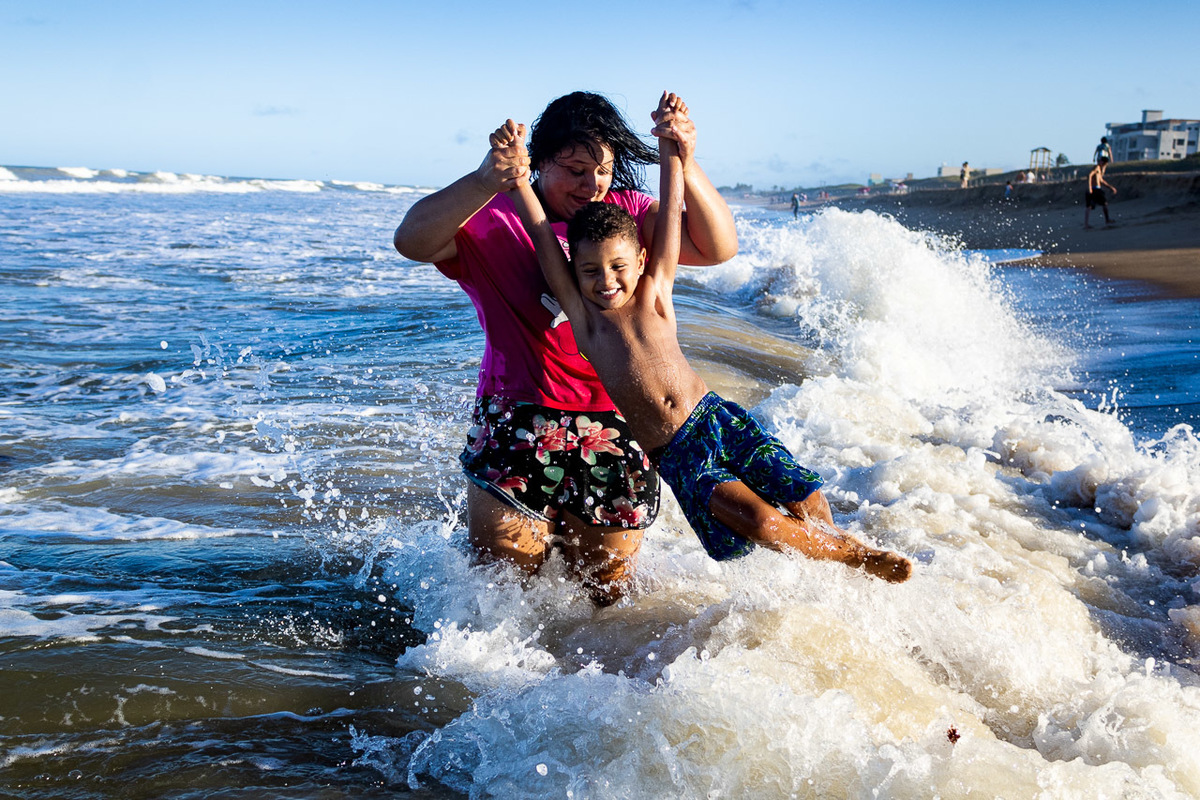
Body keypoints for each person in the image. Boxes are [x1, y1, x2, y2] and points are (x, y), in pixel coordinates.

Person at [502, 93, 912, 584]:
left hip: (715, 416)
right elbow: (543, 234)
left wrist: (675, 145)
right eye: (588, 271)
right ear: (574, 273)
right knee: (761, 522)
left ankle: (832, 571)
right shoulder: (585, 322)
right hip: (675, 451)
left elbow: (672, 212)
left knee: (805, 497)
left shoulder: (656, 293)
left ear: (639, 261)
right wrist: (517, 172)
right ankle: (851, 556)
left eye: (616, 267)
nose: (605, 280)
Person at [392, 92, 737, 604]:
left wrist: (686, 157)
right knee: (500, 601)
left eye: (603, 170)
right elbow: (411, 240)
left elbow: (717, 246)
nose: (591, 183)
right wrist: (487, 179)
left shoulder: (625, 217)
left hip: (619, 426)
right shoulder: (493, 216)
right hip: (518, 421)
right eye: (575, 168)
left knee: (606, 603)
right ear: (540, 163)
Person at [1085, 156, 1117, 229]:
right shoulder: (1096, 167)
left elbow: (1101, 181)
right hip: (1095, 189)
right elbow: (1089, 175)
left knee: (1089, 206)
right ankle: (1107, 219)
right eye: (1105, 164)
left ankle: (1086, 224)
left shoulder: (1099, 169)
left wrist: (1110, 187)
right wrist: (1089, 187)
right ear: (1102, 162)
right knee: (1104, 204)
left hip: (1094, 189)